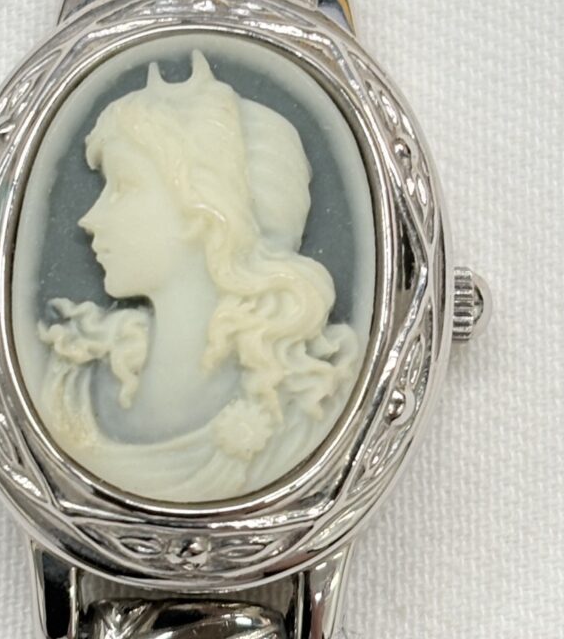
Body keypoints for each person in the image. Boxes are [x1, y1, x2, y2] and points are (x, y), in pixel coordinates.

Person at [35, 51, 359, 501]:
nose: (90, 218)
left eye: (123, 186)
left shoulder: (307, 403)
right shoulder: (70, 388)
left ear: (208, 210)